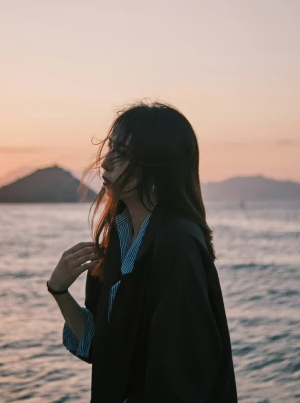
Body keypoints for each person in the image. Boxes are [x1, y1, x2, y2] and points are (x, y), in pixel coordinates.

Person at [48, 101, 238, 402]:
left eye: (122, 154)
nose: (106, 163)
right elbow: (101, 348)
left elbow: (185, 374)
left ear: (157, 163)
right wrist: (59, 290)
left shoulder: (178, 243)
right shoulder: (117, 239)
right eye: (110, 149)